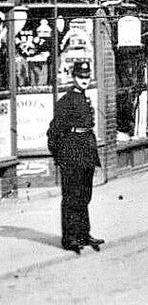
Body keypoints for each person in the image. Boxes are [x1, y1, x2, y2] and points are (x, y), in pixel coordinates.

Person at [46, 60, 103, 253]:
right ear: (73, 77)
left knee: (85, 196)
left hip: (86, 153)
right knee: (71, 197)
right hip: (71, 155)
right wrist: (59, 157)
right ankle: (70, 238)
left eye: (87, 77)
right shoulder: (65, 101)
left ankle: (83, 233)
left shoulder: (85, 99)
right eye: (80, 77)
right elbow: (54, 132)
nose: (84, 80)